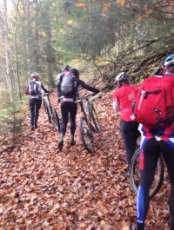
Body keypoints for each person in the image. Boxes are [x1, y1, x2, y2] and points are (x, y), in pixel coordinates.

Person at [135, 54, 174, 230]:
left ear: (164, 68)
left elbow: (138, 110)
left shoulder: (148, 82)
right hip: (170, 140)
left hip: (148, 140)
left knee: (144, 184)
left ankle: (140, 224)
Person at [57, 68, 100, 150]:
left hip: (63, 102)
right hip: (72, 102)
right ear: (77, 74)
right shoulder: (76, 79)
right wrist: (97, 90)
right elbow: (87, 86)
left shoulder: (63, 79)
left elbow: (58, 88)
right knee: (72, 120)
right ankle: (72, 138)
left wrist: (59, 97)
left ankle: (61, 138)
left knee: (64, 121)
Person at [112, 72, 140, 170]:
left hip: (126, 121)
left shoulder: (117, 92)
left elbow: (115, 109)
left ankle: (131, 170)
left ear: (119, 82)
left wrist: (123, 107)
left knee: (129, 148)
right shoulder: (136, 88)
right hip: (139, 119)